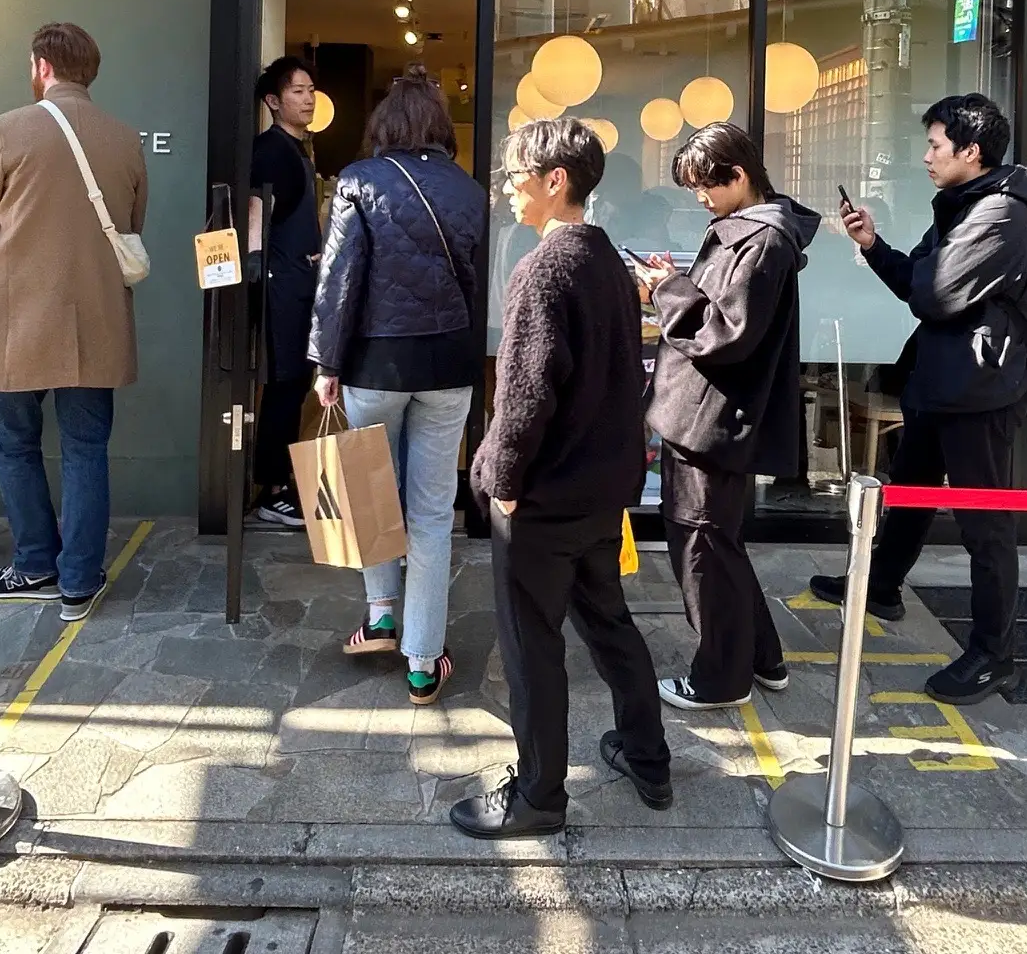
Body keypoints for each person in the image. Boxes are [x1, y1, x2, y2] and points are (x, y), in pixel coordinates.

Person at [454, 117, 671, 838]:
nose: (509, 187)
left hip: (545, 495)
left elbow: (526, 391)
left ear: (556, 181)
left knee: (532, 644)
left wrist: (501, 478)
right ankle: (648, 757)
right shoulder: (606, 258)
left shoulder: (545, 267)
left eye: (517, 173)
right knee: (608, 622)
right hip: (602, 489)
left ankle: (539, 797)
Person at [808, 93, 1027, 706]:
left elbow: (932, 294)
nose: (927, 157)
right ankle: (882, 585)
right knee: (909, 493)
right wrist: (870, 243)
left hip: (980, 391)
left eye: (936, 146)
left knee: (985, 529)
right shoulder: (962, 206)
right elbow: (917, 280)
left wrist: (916, 275)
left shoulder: (1001, 216)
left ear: (972, 151)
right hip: (942, 382)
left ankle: (996, 655)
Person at [308, 68, 486, 705]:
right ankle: (422, 661)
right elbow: (475, 287)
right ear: (440, 129)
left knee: (374, 497)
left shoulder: (360, 181)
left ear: (384, 126)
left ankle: (381, 615)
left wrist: (327, 364)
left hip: (376, 365)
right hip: (449, 366)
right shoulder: (469, 191)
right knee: (434, 516)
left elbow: (339, 282)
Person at [0, 23, 148, 623]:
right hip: (95, 314)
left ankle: (36, 562)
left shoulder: (5, 129)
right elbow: (132, 220)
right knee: (87, 449)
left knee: (14, 446)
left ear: (41, 65)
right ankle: (79, 579)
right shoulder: (124, 138)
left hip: (10, 317)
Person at [642, 121, 816, 709]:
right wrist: (675, 283)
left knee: (703, 549)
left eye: (707, 187)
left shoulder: (760, 241)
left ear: (738, 175)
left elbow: (725, 332)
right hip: (711, 414)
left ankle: (721, 677)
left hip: (712, 418)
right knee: (719, 543)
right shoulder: (752, 232)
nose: (702, 199)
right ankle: (762, 657)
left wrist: (666, 288)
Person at [249, 56, 322, 529]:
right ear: (274, 101)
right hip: (279, 288)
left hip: (298, 283)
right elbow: (257, 212)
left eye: (311, 88)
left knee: (293, 386)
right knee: (283, 385)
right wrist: (255, 267)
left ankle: (279, 483)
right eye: (297, 90)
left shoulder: (298, 150)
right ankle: (272, 489)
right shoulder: (272, 150)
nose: (309, 98)